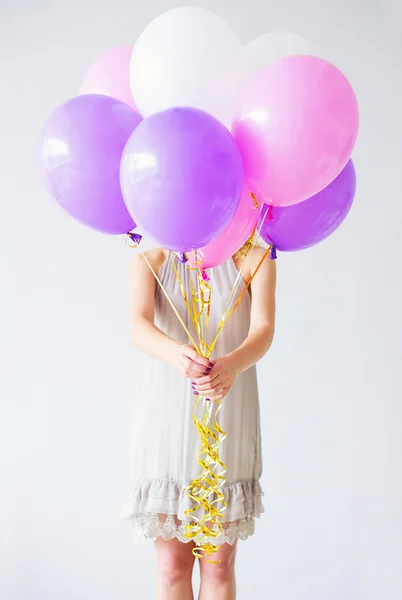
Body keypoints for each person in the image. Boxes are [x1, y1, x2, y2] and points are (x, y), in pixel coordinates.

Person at [120, 242, 276, 600]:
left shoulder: (254, 260)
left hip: (228, 412)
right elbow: (138, 325)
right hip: (167, 418)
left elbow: (263, 328)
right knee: (171, 567)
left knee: (219, 566)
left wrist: (233, 364)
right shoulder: (151, 260)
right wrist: (176, 353)